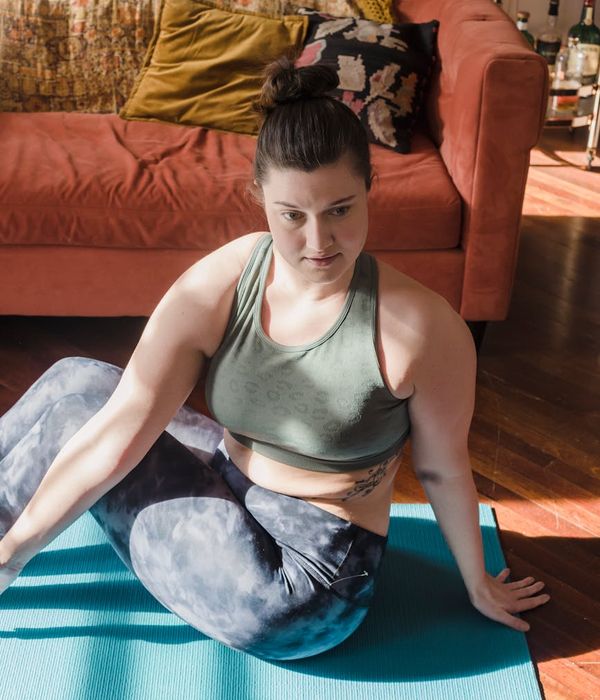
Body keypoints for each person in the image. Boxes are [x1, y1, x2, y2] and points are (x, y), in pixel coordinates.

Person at [0, 57, 550, 661]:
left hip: (299, 582)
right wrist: (16, 549)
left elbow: (444, 468)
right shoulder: (230, 274)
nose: (318, 242)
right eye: (293, 216)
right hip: (229, 478)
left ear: (370, 188)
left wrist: (476, 581)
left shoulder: (425, 329)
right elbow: (130, 415)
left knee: (77, 418)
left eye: (340, 209)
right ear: (260, 198)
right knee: (76, 380)